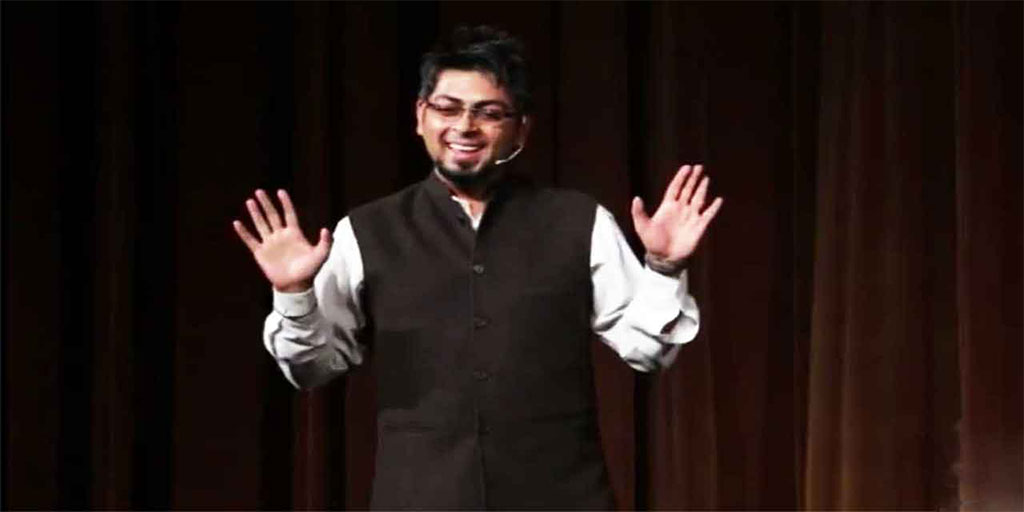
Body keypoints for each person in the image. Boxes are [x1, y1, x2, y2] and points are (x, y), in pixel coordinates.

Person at [233, 25, 722, 510]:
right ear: (420, 116)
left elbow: (648, 352)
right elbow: (310, 369)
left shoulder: (579, 222)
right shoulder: (365, 231)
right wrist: (295, 293)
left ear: (521, 129)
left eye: (489, 113)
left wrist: (663, 267)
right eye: (447, 108)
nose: (465, 126)